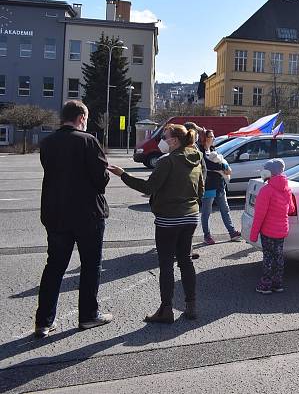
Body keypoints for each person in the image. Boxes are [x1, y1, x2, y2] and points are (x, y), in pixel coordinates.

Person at [108, 124, 204, 323]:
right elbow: (201, 188)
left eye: (166, 137)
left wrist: (123, 174)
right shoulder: (197, 158)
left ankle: (166, 310)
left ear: (175, 141)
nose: (163, 140)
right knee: (185, 260)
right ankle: (191, 306)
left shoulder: (167, 161)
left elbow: (149, 187)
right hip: (191, 216)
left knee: (166, 264)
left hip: (168, 218)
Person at [35, 100, 113, 337]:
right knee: (91, 266)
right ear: (81, 118)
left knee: (54, 267)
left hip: (56, 214)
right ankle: (88, 315)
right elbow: (101, 180)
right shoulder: (88, 141)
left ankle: (44, 322)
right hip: (88, 215)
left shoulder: (47, 142)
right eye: (86, 118)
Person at [250, 159, 296, 294]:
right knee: (279, 256)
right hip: (282, 230)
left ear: (269, 173)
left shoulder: (266, 191)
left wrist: (253, 234)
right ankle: (278, 283)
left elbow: (259, 215)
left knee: (268, 257)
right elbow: (291, 209)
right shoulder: (287, 189)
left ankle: (265, 285)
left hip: (268, 231)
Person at [200, 129, 241, 245]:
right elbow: (208, 165)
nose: (213, 138)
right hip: (208, 186)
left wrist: (225, 166)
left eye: (213, 136)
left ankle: (232, 232)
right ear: (204, 138)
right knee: (206, 212)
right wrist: (223, 166)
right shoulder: (200, 151)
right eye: (211, 136)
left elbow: (219, 162)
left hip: (219, 185)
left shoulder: (213, 149)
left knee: (225, 210)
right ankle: (207, 236)